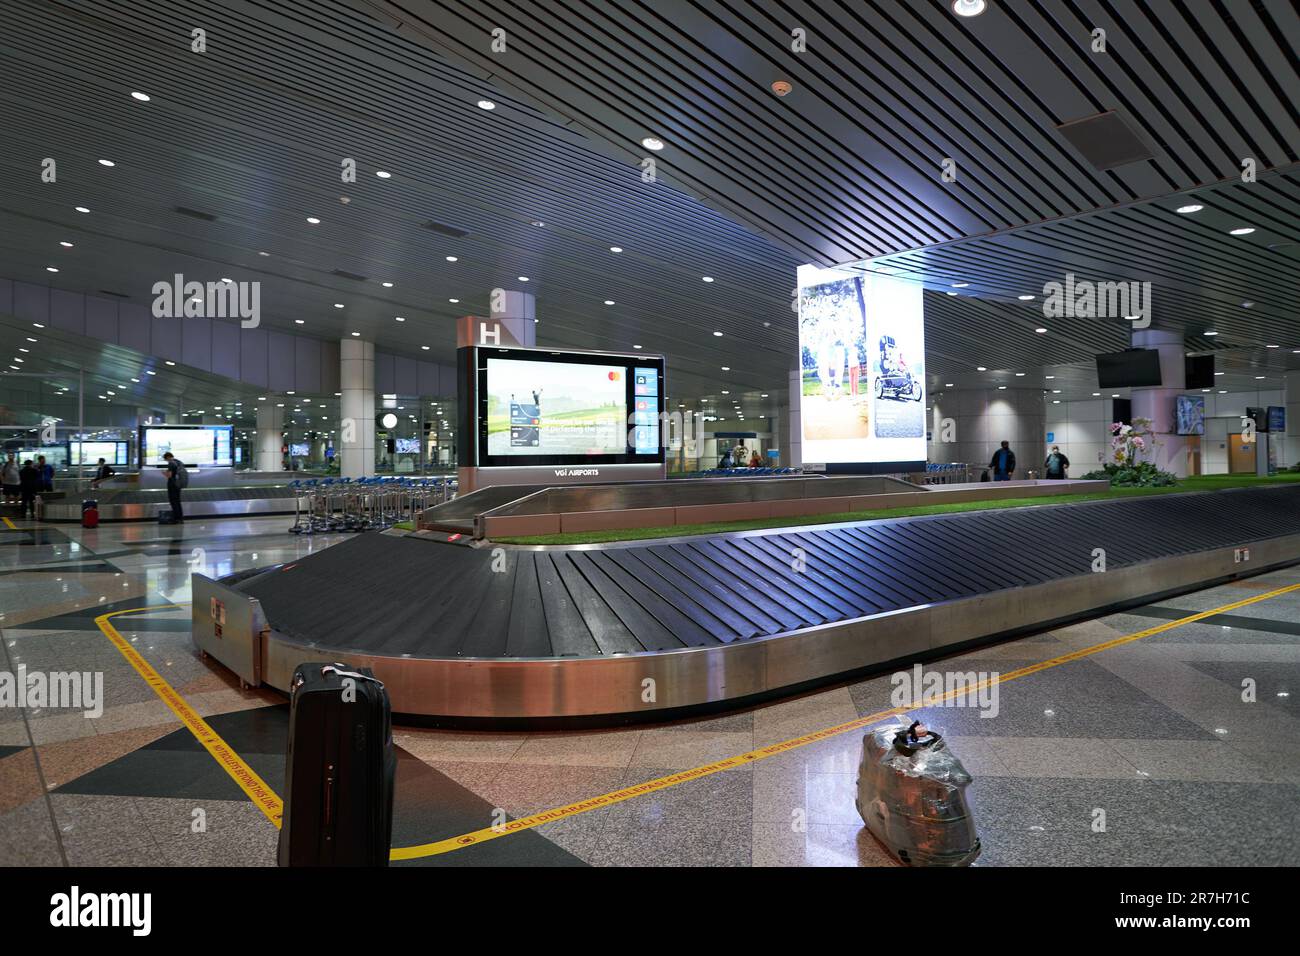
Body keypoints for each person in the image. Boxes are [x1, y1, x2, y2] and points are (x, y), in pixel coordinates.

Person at [162, 451, 187, 523]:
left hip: (172, 484)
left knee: (173, 501)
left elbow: (169, 475)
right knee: (177, 501)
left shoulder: (171, 463)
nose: (166, 461)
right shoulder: (179, 462)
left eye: (166, 459)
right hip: (178, 484)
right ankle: (180, 518)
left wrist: (164, 473)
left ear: (168, 457)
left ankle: (176, 518)